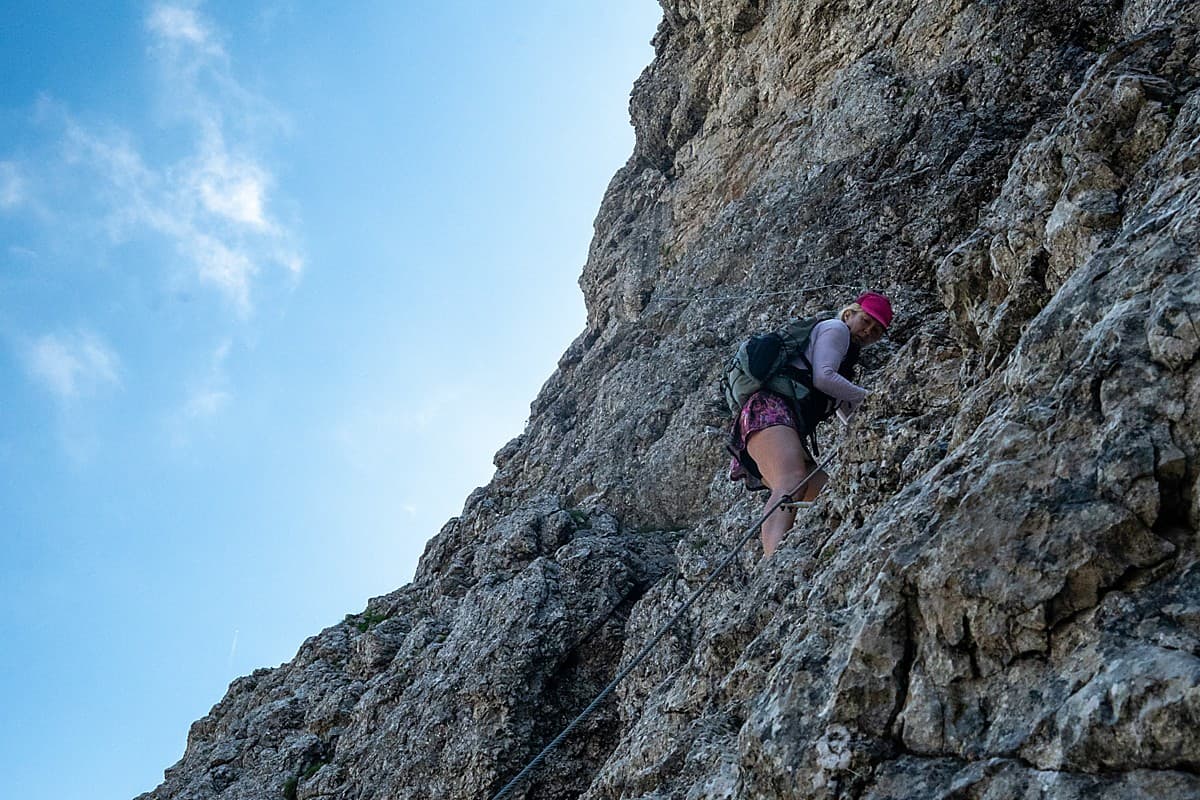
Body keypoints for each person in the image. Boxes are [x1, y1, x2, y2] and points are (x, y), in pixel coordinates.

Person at [728, 291, 894, 557]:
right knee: (791, 480)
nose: (868, 331)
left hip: (775, 418)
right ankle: (772, 565)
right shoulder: (836, 329)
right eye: (866, 321)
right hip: (770, 410)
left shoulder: (846, 357)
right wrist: (871, 397)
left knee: (827, 494)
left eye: (876, 331)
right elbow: (824, 378)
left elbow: (840, 404)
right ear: (849, 314)